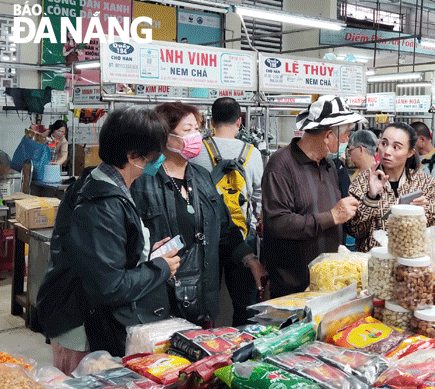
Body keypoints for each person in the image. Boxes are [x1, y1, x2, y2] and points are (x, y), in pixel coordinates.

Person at [37, 106, 181, 367]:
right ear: (133, 156)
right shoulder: (102, 203)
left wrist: (145, 254)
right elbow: (109, 286)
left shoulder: (104, 182)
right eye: (154, 155)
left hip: (88, 313)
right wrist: (159, 268)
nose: (158, 160)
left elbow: (103, 254)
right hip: (80, 324)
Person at [132, 102, 268, 328]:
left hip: (202, 301)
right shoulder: (143, 182)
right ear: (164, 136)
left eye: (197, 129)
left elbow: (225, 228)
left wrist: (251, 259)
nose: (196, 137)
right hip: (160, 303)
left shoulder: (203, 178)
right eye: (187, 131)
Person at [262, 95, 364, 297]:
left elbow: (340, 216)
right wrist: (331, 217)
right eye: (345, 134)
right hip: (293, 286)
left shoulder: (329, 166)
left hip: (327, 282)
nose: (347, 140)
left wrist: (369, 195)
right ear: (328, 136)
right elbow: (278, 222)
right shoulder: (281, 165)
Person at [189, 97, 265, 326]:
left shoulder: (195, 151)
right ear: (240, 121)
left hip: (204, 239)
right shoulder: (252, 153)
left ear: (211, 121)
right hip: (242, 237)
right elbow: (260, 198)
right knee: (245, 306)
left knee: (202, 304)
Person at [346, 122, 435, 252]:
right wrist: (371, 198)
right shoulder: (363, 180)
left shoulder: (424, 182)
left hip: (410, 261)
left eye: (396, 147)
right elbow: (354, 231)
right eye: (384, 144)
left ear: (410, 153)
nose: (387, 152)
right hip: (376, 263)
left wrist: (421, 214)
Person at [411, 121, 435, 195]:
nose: (409, 144)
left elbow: (434, 191)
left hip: (429, 206)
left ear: (422, 140)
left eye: (411, 141)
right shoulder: (412, 157)